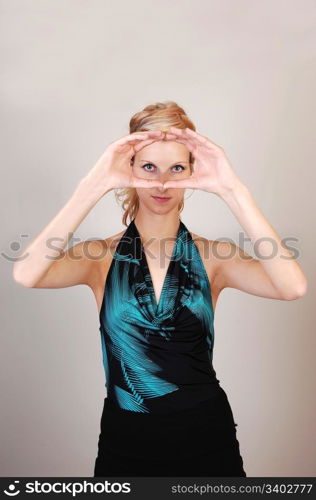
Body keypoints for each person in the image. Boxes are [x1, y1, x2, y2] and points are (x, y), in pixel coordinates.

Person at [13, 101, 307, 477]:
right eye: (148, 166)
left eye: (177, 168)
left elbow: (293, 287)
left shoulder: (213, 256)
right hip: (126, 440)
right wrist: (94, 185)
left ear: (193, 171)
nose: (162, 182)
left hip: (206, 436)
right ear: (129, 167)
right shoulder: (99, 256)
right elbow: (27, 274)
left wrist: (232, 189)